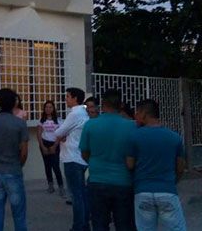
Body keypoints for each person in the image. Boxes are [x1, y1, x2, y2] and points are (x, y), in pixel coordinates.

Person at [80, 89, 136, 231]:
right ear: (121, 105)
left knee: (99, 224)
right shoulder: (131, 126)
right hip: (123, 182)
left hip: (97, 180)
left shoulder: (90, 125)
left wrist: (94, 161)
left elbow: (84, 153)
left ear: (102, 105)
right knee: (124, 225)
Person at [126, 99, 187, 231]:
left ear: (144, 114)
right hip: (167, 190)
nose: (135, 116)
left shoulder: (134, 137)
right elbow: (180, 167)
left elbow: (130, 165)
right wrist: (172, 181)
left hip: (142, 191)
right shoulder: (174, 137)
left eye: (137, 112)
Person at [0, 88, 29, 231]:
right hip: (13, 170)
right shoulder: (20, 123)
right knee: (19, 215)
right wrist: (18, 165)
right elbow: (24, 153)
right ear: (14, 103)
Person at [55, 87, 90, 231]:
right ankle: (84, 225)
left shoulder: (75, 113)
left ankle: (78, 226)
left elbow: (58, 132)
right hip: (79, 157)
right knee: (81, 195)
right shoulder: (83, 113)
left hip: (72, 158)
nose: (66, 99)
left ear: (75, 99)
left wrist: (62, 134)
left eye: (68, 96)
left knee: (76, 196)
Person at [37, 101, 65, 196]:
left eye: (50, 107)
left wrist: (55, 146)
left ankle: (61, 186)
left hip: (54, 144)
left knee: (55, 166)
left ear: (53, 109)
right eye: (46, 107)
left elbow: (60, 135)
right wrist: (42, 146)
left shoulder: (58, 120)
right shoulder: (42, 120)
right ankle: (50, 185)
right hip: (44, 143)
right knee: (47, 166)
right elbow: (39, 134)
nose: (48, 109)